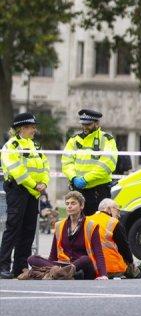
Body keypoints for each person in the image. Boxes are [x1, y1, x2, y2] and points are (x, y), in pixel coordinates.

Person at [0, 113, 49, 279]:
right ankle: (3, 265)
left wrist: (44, 183)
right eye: (31, 127)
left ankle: (20, 267)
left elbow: (45, 166)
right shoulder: (11, 146)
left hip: (33, 192)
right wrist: (35, 185)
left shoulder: (35, 146)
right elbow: (17, 171)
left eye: (34, 127)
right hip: (18, 190)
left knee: (28, 230)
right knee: (13, 228)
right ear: (22, 128)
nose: (34, 130)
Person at [27, 192, 106, 280]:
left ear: (81, 206)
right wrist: (50, 264)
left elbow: (99, 253)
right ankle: (61, 273)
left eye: (73, 203)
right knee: (32, 259)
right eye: (67, 204)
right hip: (63, 264)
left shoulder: (91, 225)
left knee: (85, 259)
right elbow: (53, 255)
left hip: (83, 267)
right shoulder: (59, 225)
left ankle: (57, 273)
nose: (69, 206)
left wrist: (103, 275)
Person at [61, 109, 117, 216]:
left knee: (99, 222)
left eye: (88, 124)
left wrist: (86, 179)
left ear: (97, 123)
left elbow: (107, 164)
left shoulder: (107, 139)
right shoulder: (74, 140)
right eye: (83, 124)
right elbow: (66, 162)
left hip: (99, 189)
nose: (85, 127)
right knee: (78, 222)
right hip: (78, 188)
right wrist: (73, 177)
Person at [90, 198, 141, 278]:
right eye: (118, 210)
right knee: (137, 274)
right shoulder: (114, 222)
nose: (119, 215)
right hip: (112, 269)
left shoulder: (87, 220)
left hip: (91, 268)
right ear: (109, 209)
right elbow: (124, 248)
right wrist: (131, 264)